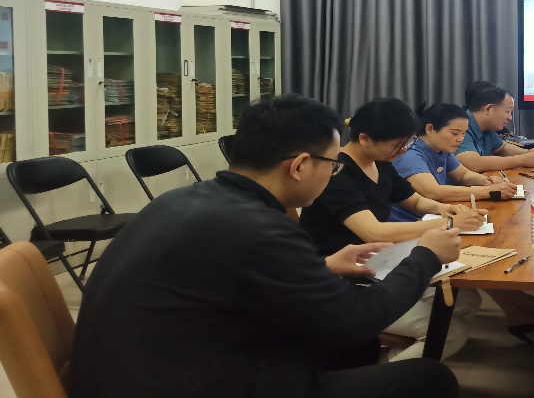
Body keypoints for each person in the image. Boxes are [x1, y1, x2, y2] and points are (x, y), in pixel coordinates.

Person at [68, 94, 461, 398]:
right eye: (332, 164)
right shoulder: (261, 227)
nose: (333, 173)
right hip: (181, 383)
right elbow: (356, 318)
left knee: (353, 349)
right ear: (300, 165)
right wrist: (426, 256)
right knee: (428, 378)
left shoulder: (188, 201)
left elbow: (225, 276)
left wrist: (322, 265)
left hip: (134, 373)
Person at [299, 98, 487, 361]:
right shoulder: (338, 172)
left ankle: (386, 345)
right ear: (364, 138)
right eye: (398, 145)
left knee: (466, 299)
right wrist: (448, 223)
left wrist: (446, 209)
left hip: (381, 261)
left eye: (407, 143)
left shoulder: (381, 161)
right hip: (346, 274)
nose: (403, 151)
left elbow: (415, 200)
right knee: (450, 331)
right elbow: (372, 232)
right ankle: (385, 371)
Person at [393, 103, 517, 204]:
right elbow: (433, 192)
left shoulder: (442, 150)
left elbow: (463, 175)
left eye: (463, 133)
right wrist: (488, 191)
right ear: (430, 129)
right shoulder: (410, 155)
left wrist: (486, 180)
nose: (460, 139)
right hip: (412, 221)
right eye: (455, 133)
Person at [455, 81, 534, 172]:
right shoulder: (459, 125)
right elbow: (474, 163)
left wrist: (530, 153)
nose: (510, 117)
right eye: (507, 111)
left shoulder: (488, 129)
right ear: (488, 109)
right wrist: (524, 159)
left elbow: (502, 148)